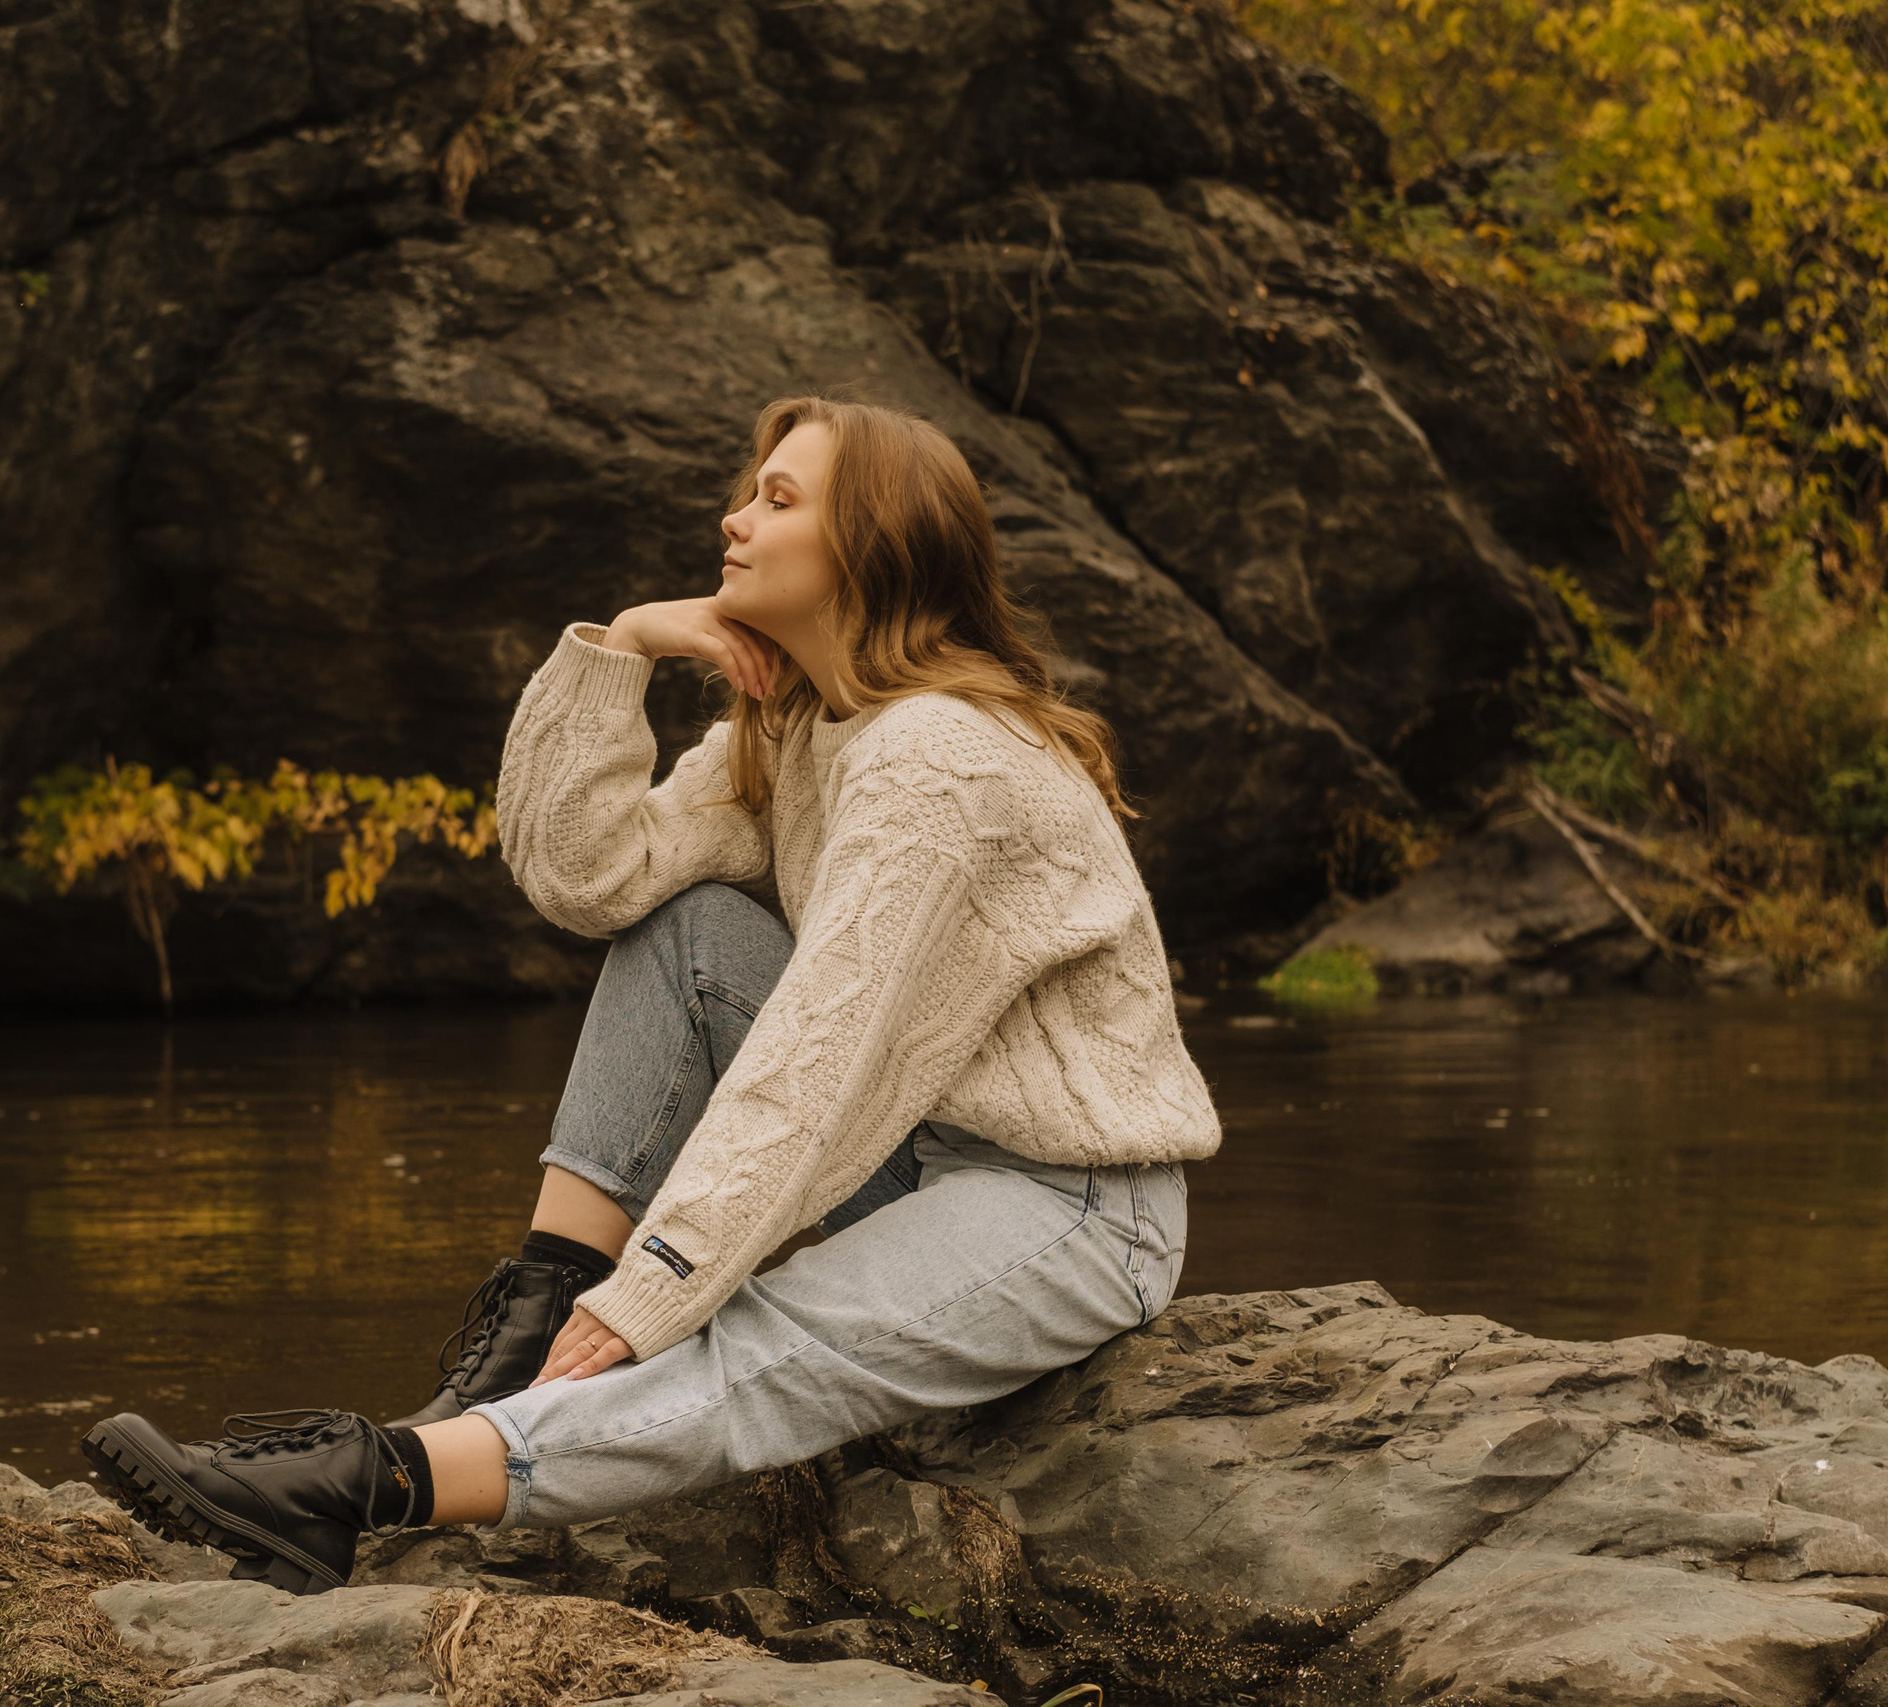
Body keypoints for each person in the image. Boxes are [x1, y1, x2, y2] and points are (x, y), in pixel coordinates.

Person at [78, 395, 1220, 1595]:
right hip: (915, 1148)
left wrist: (661, 1289)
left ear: (870, 546)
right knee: (689, 930)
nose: (733, 519)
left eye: (779, 500)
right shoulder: (804, 729)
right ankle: (519, 1343)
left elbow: (818, 1058)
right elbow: (591, 880)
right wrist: (615, 650)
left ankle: (368, 1483)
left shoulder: (937, 756)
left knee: (757, 1332)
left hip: (1075, 1208)